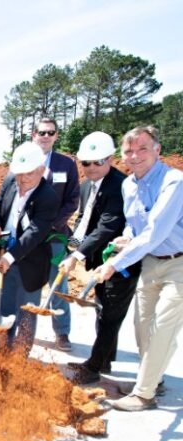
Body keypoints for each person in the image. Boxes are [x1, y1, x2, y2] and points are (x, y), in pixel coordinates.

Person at [95, 126, 183, 412]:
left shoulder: (174, 182)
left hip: (179, 264)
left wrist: (114, 264)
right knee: (142, 325)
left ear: (157, 150)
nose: (135, 156)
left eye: (142, 149)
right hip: (151, 261)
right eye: (129, 151)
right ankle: (153, 380)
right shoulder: (128, 185)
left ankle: (144, 394)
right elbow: (136, 225)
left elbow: (156, 230)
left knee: (162, 327)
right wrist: (126, 236)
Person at [59, 132, 140, 384]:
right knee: (103, 309)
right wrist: (72, 250)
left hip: (122, 261)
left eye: (98, 162)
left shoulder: (120, 186)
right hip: (99, 262)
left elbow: (107, 226)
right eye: (86, 163)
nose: (92, 168)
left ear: (111, 159)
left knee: (110, 315)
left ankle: (93, 368)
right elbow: (83, 223)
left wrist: (78, 254)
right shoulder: (85, 187)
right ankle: (104, 360)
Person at [0, 142, 59, 351]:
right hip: (5, 253)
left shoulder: (48, 197)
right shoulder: (11, 180)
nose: (22, 180)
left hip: (30, 262)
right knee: (5, 308)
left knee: (27, 314)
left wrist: (10, 257)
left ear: (41, 170)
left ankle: (20, 359)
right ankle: (3, 350)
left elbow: (35, 232)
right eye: (19, 174)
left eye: (28, 174)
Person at [32, 118, 81, 352]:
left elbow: (73, 199)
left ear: (56, 136)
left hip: (55, 236)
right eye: (42, 132)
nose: (46, 136)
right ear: (34, 134)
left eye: (50, 133)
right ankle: (24, 329)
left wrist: (52, 223)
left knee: (58, 284)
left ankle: (62, 333)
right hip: (29, 237)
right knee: (27, 284)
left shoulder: (66, 164)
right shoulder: (25, 160)